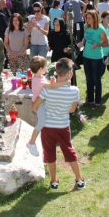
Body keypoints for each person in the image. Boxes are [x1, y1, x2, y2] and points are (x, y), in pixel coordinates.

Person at [32, 58, 85, 190]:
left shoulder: (47, 89)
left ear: (56, 72)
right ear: (69, 73)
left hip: (47, 127)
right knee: (69, 150)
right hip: (63, 126)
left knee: (49, 153)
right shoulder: (74, 91)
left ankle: (54, 181)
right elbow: (72, 110)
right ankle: (79, 179)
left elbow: (35, 106)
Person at [26, 56, 71, 157]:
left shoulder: (39, 78)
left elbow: (48, 87)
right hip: (40, 104)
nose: (46, 68)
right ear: (40, 69)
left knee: (47, 121)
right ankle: (31, 143)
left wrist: (51, 83)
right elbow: (51, 87)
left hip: (43, 102)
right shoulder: (39, 81)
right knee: (41, 123)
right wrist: (64, 82)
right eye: (45, 67)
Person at [77, 10, 109, 110]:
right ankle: (90, 100)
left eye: (89, 18)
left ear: (95, 18)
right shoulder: (86, 26)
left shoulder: (100, 30)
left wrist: (98, 44)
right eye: (87, 18)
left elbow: (106, 43)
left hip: (97, 58)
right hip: (86, 56)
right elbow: (85, 38)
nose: (87, 19)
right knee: (89, 78)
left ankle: (97, 102)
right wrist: (82, 43)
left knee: (96, 80)